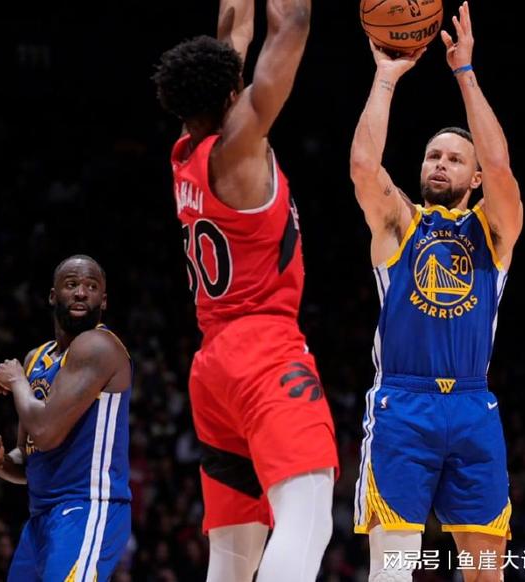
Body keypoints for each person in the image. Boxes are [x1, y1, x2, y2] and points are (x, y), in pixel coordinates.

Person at [152, 1, 339, 580]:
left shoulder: (186, 152)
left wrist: (234, 39)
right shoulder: (240, 145)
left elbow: (236, 26)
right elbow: (292, 25)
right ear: (234, 91)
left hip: (213, 366)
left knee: (234, 553)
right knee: (308, 516)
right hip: (264, 350)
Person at [350, 3, 522, 581]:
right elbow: (363, 165)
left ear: (474, 178)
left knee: (486, 572)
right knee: (393, 569)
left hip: (473, 404)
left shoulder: (494, 230)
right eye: (433, 156)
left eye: (454, 159)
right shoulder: (399, 223)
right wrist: (386, 76)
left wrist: (465, 73)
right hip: (404, 402)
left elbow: (501, 166)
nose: (441, 164)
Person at [0, 255, 132, 582]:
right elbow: (30, 452)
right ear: (52, 295)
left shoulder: (98, 345)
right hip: (41, 518)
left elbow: (45, 432)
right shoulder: (36, 358)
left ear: (104, 300)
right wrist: (1, 462)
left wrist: (17, 381)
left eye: (91, 287)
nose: (81, 293)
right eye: (72, 284)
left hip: (86, 507)